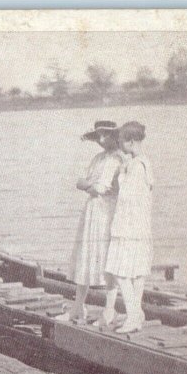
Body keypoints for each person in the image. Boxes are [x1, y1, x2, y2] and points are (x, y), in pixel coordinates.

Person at [65, 120, 122, 327]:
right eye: (98, 136)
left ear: (114, 136)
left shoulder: (118, 158)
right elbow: (82, 182)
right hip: (92, 210)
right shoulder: (98, 158)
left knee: (107, 258)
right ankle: (78, 306)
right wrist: (89, 185)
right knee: (85, 256)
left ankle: (109, 309)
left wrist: (89, 185)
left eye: (105, 135)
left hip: (107, 211)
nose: (101, 139)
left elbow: (101, 188)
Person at [105, 121, 154, 333]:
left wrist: (121, 173)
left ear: (131, 142)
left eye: (122, 141)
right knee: (135, 272)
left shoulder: (135, 166)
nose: (119, 145)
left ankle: (133, 316)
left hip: (129, 226)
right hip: (139, 226)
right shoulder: (143, 162)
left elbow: (127, 197)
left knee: (121, 272)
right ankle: (136, 314)